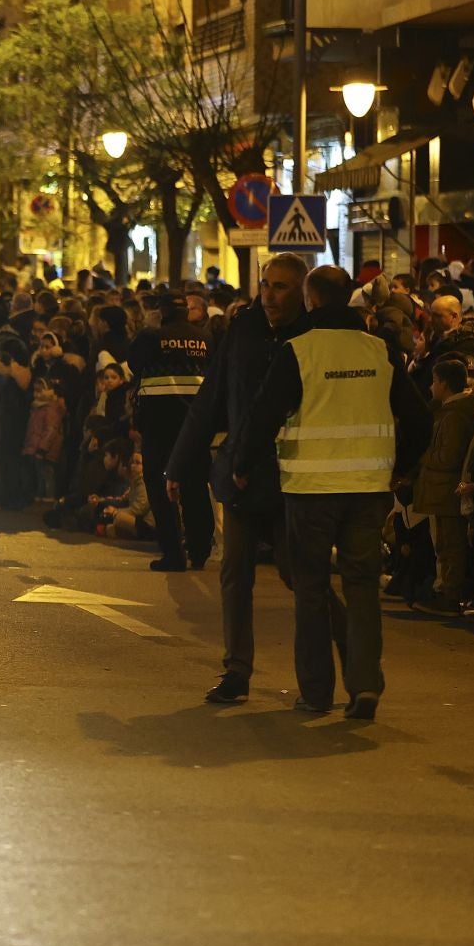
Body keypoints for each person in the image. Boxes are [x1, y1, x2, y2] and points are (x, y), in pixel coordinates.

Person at [233, 265, 430, 720]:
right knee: (362, 588)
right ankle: (365, 686)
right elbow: (420, 420)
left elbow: (263, 416)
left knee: (311, 589)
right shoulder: (381, 351)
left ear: (313, 301)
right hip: (368, 490)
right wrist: (399, 469)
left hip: (311, 490)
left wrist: (242, 465)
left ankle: (317, 692)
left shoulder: (299, 351)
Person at [166, 253, 344, 704]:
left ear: (303, 293)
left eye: (281, 287)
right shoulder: (243, 330)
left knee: (302, 576)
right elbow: (212, 399)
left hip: (294, 480)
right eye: (265, 285)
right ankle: (237, 670)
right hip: (241, 477)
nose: (269, 295)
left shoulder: (314, 336)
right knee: (235, 571)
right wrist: (179, 464)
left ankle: (352, 650)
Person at [129, 293, 213, 571]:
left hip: (158, 423)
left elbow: (134, 363)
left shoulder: (152, 338)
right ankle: (200, 550)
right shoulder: (204, 339)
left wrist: (150, 328)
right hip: (195, 423)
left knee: (159, 486)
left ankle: (172, 553)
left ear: (160, 312)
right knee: (196, 486)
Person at [410, 358, 474, 615]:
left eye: (435, 381)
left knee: (450, 545)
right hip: (440, 489)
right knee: (445, 545)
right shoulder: (448, 412)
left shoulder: (455, 416)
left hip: (445, 489)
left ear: (445, 384)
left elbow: (448, 457)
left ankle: (450, 594)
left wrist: (423, 453)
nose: (431, 386)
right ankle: (445, 590)